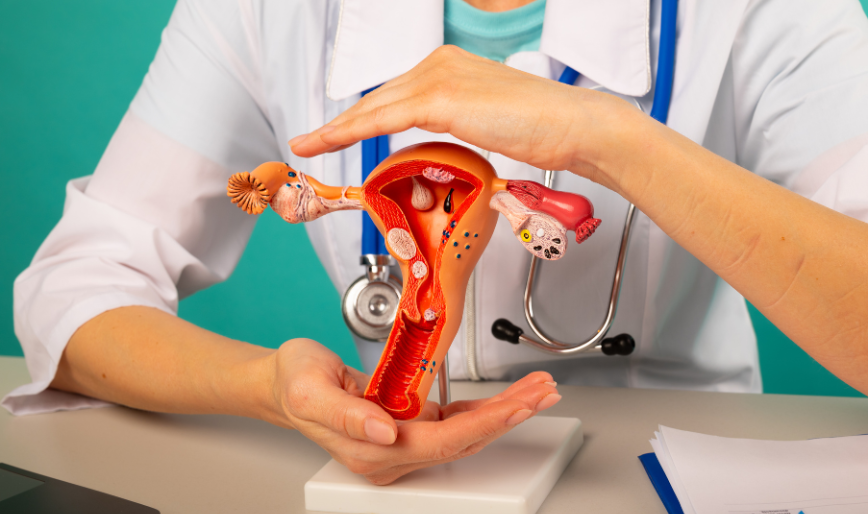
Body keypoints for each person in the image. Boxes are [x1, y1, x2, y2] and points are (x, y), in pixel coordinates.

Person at [4, 0, 868, 485]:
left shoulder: (768, 13)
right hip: (400, 479)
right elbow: (76, 289)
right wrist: (269, 389)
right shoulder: (262, 11)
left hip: (670, 474)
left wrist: (610, 140)